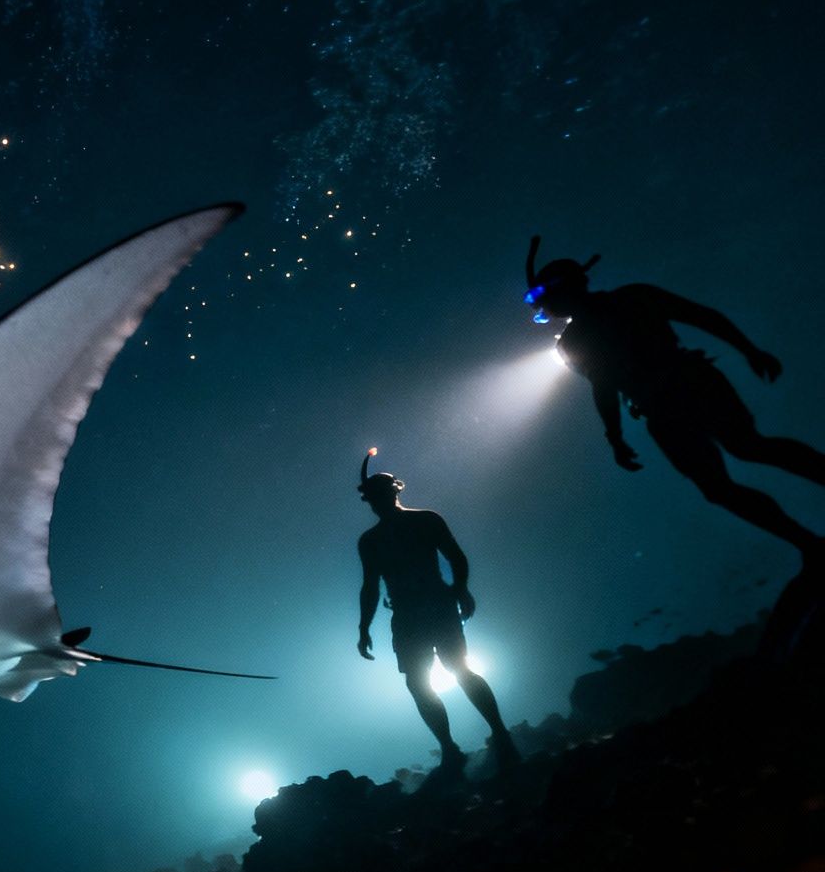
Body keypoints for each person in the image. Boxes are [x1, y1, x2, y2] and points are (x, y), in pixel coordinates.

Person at [525, 236, 825, 557]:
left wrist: (615, 437)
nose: (545, 308)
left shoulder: (585, 333)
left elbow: (605, 385)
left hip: (675, 400)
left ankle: (808, 544)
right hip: (682, 393)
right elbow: (702, 317)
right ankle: (807, 543)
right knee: (740, 460)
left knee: (733, 469)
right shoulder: (631, 300)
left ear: (564, 288)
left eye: (544, 297)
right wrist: (749, 349)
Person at [354, 451, 517, 782]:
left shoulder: (422, 521)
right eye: (373, 498)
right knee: (420, 682)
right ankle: (452, 748)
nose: (376, 503)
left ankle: (496, 734)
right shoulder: (373, 541)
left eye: (379, 496)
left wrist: (460, 588)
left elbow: (455, 556)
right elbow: (370, 586)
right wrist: (363, 626)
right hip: (411, 614)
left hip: (432, 609)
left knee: (456, 672)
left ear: (392, 493)